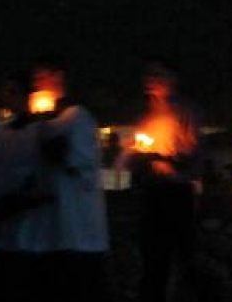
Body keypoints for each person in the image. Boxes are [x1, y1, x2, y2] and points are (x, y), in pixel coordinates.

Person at [31, 55, 110, 300]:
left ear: (58, 77)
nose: (37, 84)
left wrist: (62, 157)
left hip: (78, 225)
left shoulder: (77, 117)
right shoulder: (42, 124)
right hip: (53, 222)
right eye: (35, 80)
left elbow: (85, 168)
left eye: (41, 77)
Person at [125, 60, 201, 302]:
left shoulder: (185, 112)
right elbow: (134, 152)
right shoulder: (145, 115)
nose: (150, 80)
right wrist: (138, 156)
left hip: (176, 191)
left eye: (158, 75)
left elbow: (192, 156)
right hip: (151, 192)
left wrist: (162, 158)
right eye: (148, 75)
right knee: (152, 257)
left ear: (172, 80)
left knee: (182, 255)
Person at [0, 71, 55, 301]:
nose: (7, 97)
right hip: (5, 214)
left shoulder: (41, 130)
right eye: (5, 92)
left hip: (34, 220)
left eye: (13, 92)